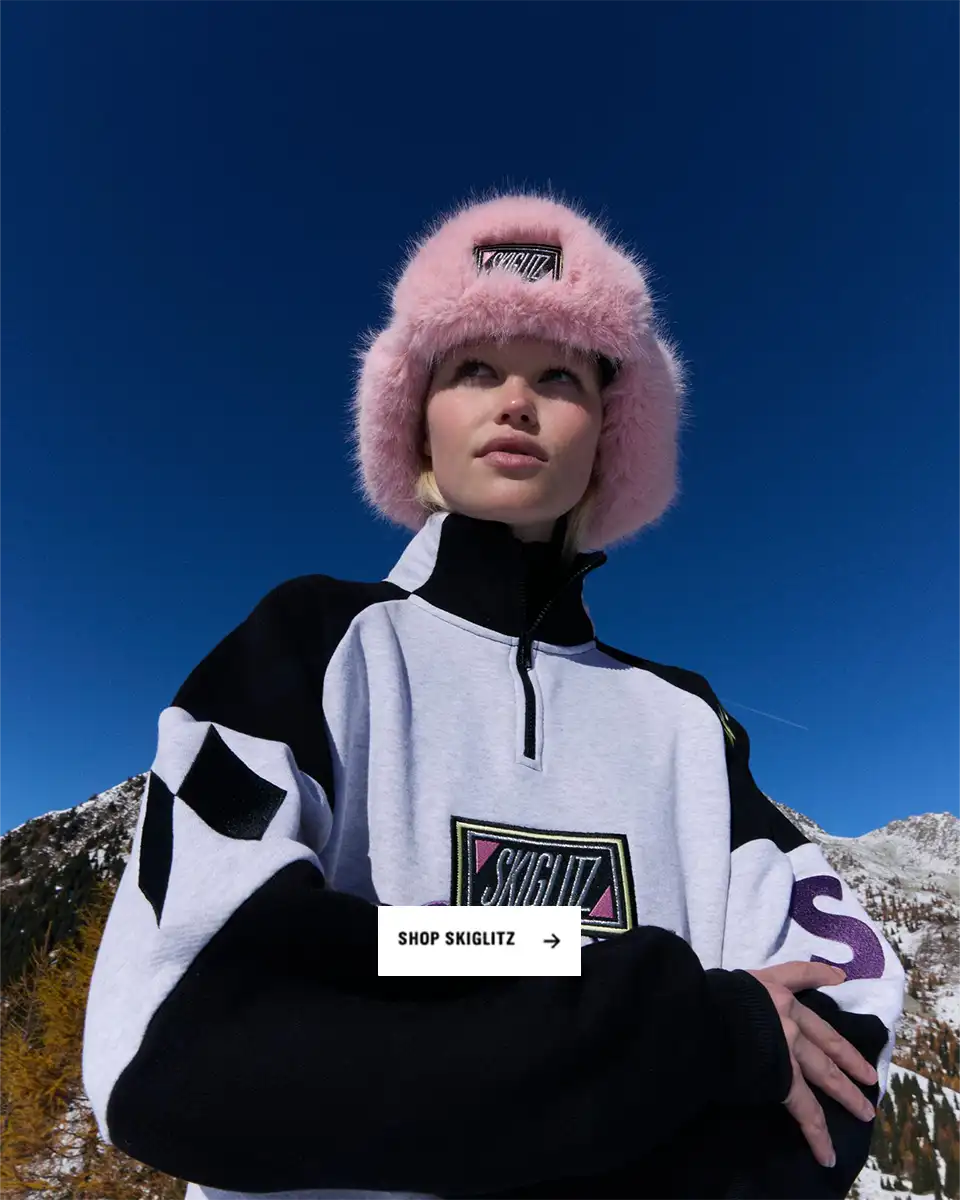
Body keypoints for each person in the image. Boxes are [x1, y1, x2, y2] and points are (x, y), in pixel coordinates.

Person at [82, 194, 905, 1200]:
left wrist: (406, 956)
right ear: (418, 421)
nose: (516, 402)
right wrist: (676, 1015)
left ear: (609, 437)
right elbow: (175, 1042)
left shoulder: (686, 724)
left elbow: (841, 1029)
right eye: (474, 368)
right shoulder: (310, 645)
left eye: (561, 376)